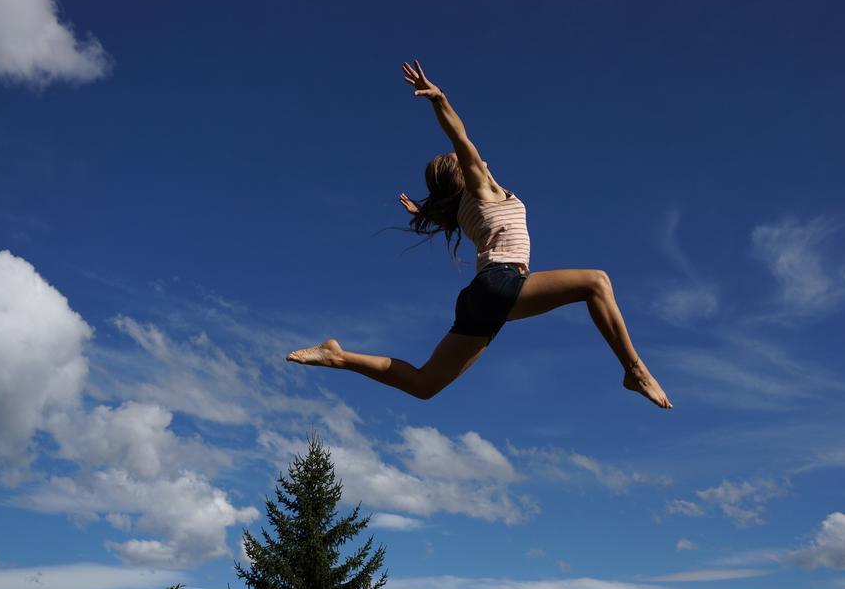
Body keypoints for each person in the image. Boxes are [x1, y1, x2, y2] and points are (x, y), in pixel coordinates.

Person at [287, 60, 672, 409]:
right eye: (466, 161)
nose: (477, 158)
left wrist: (425, 212)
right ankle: (634, 370)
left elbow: (455, 181)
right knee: (597, 282)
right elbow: (460, 137)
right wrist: (440, 100)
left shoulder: (461, 208)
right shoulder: (480, 189)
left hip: (480, 298)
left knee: (425, 384)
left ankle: (337, 355)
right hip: (501, 281)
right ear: (464, 172)